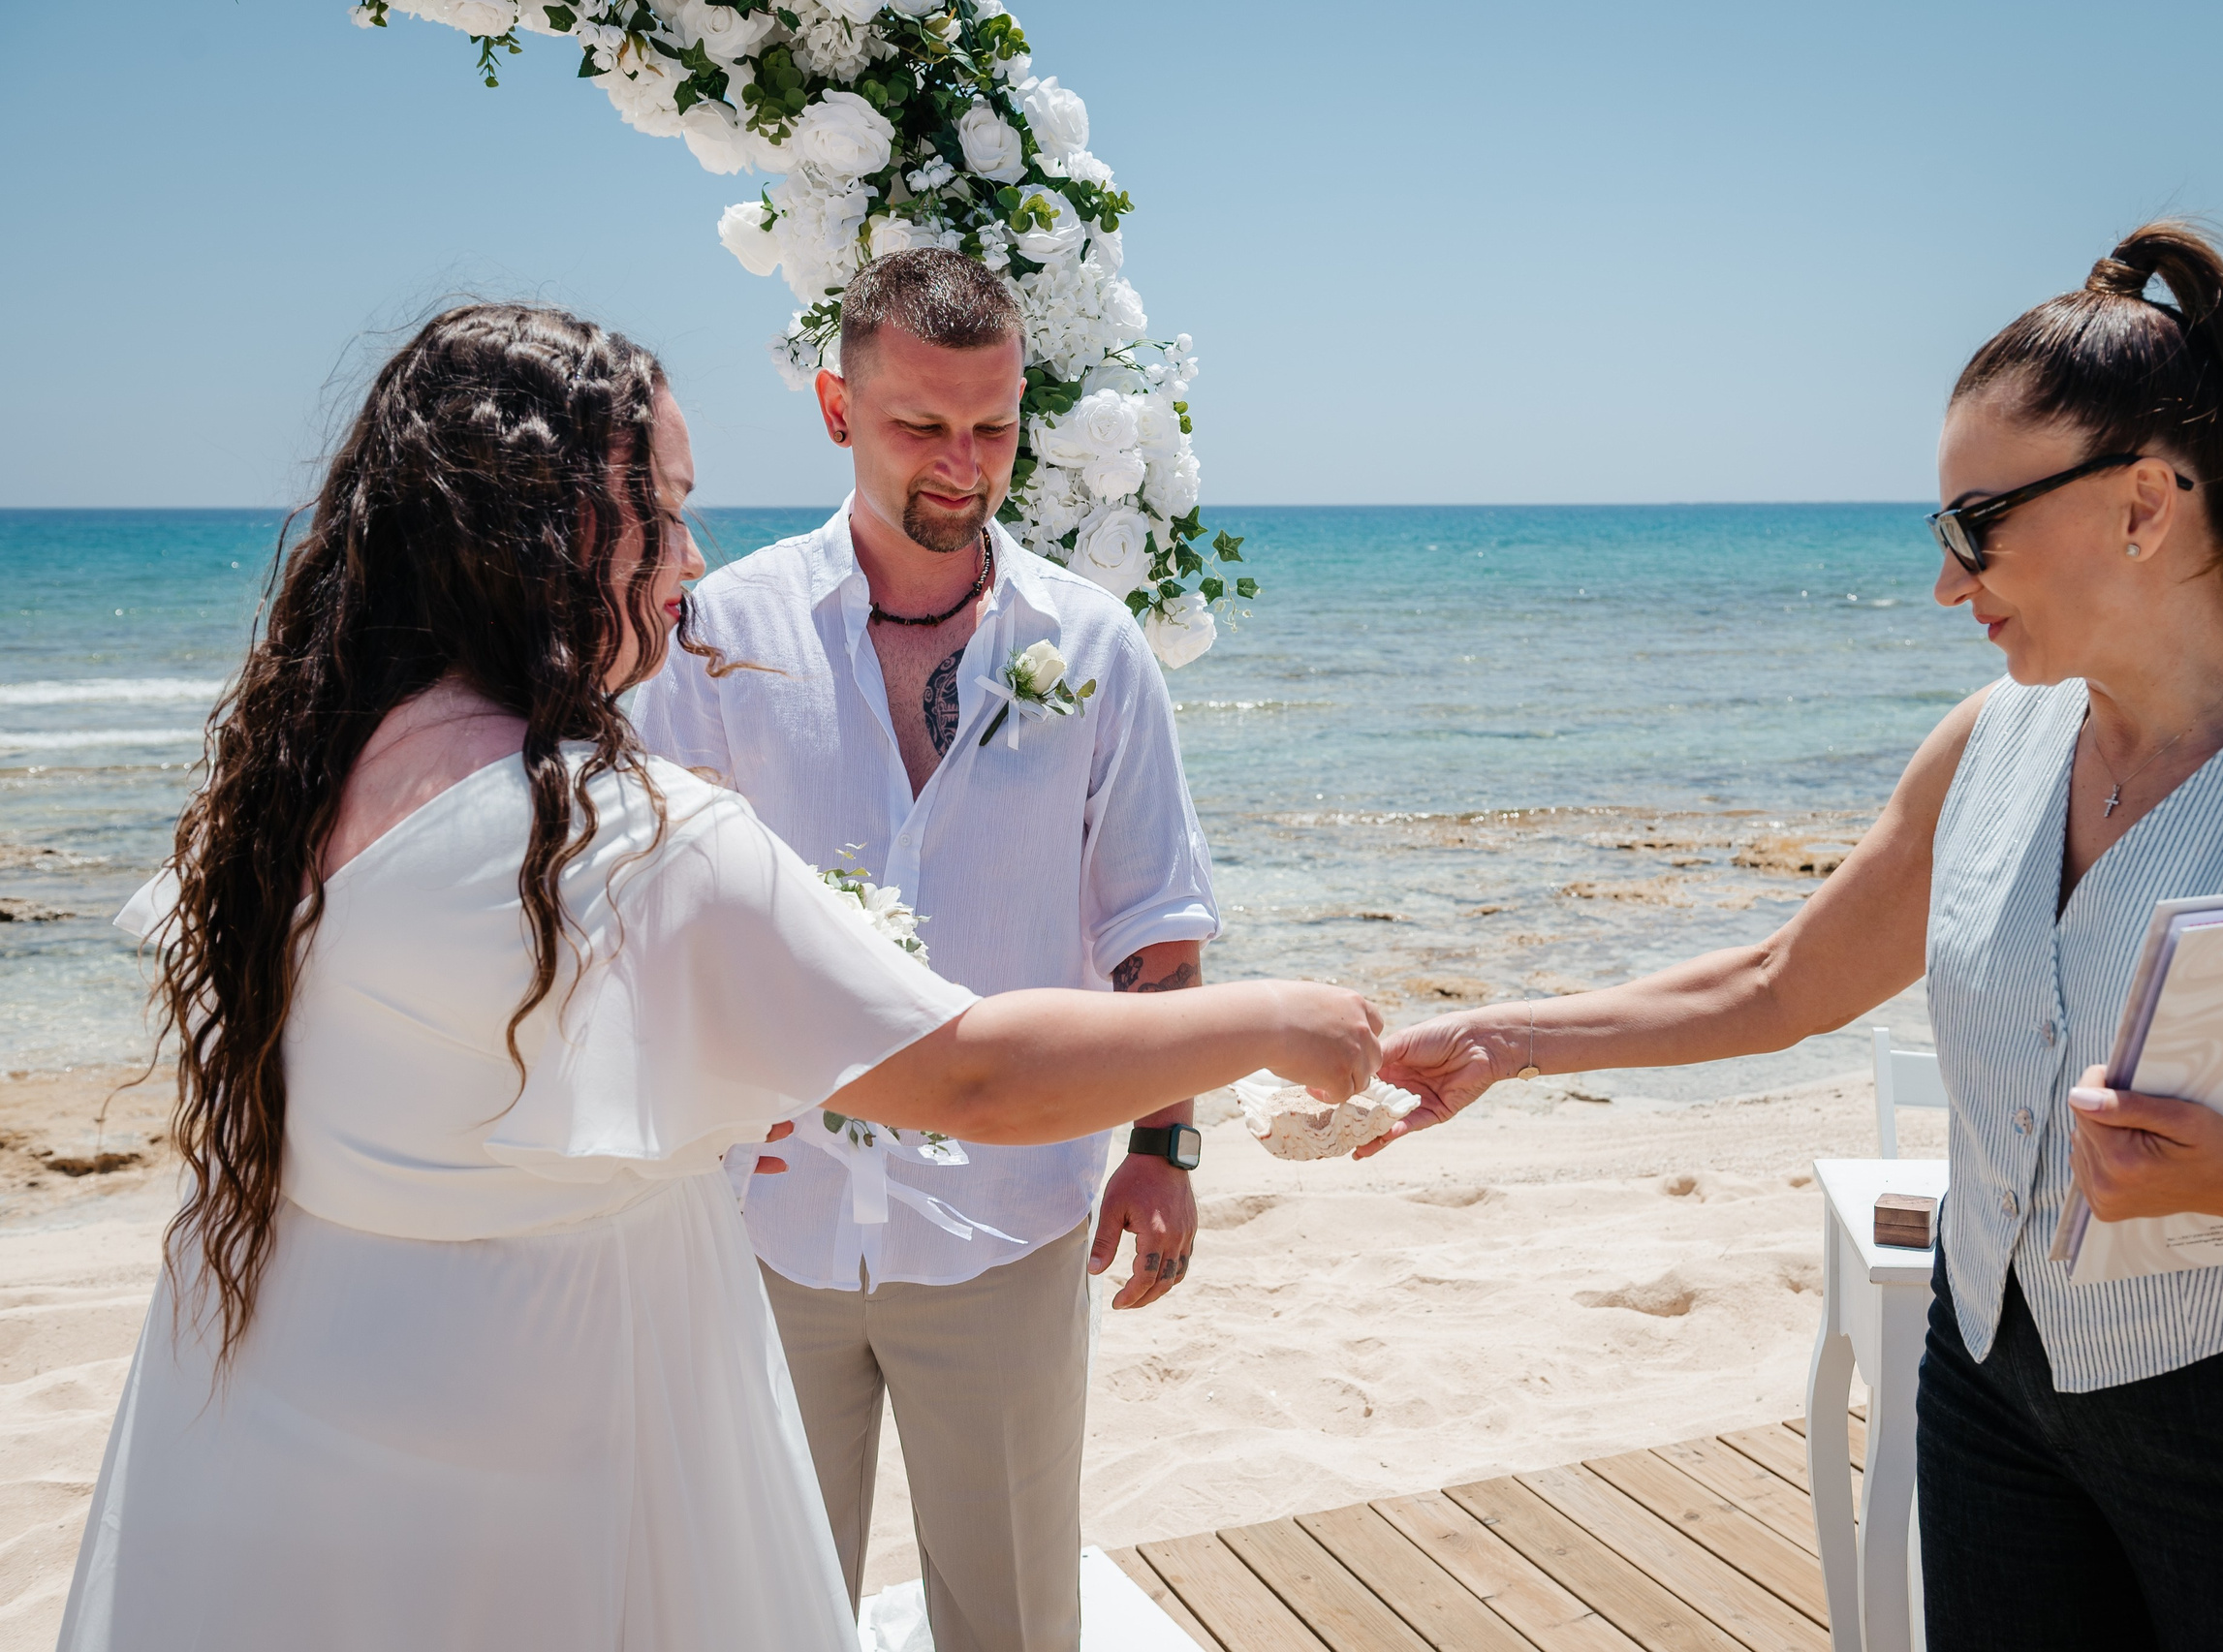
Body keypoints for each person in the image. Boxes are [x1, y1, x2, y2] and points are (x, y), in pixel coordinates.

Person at [53, 302, 1380, 1652]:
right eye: (666, 511)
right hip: (588, 1439)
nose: (691, 559)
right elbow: (974, 1068)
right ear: (553, 531)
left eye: (992, 423)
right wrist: (1279, 1019)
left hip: (305, 1442)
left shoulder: (285, 792)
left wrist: (1164, 1141)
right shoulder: (640, 831)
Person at [1372, 223, 2223, 1650]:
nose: (1952, 584)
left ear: (2143, 503)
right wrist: (1507, 1038)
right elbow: (1781, 979)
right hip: (1992, 1396)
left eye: (1978, 525)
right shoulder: (1993, 741)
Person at [635, 246, 1211, 1652]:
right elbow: (644, 914)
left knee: (1013, 1619)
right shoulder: (716, 636)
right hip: (760, 1231)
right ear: (837, 408)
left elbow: (1155, 921)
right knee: (757, 1613)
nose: (964, 463)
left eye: (995, 424)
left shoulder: (1096, 645)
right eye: (921, 426)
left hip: (1010, 1228)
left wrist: (1163, 1144)